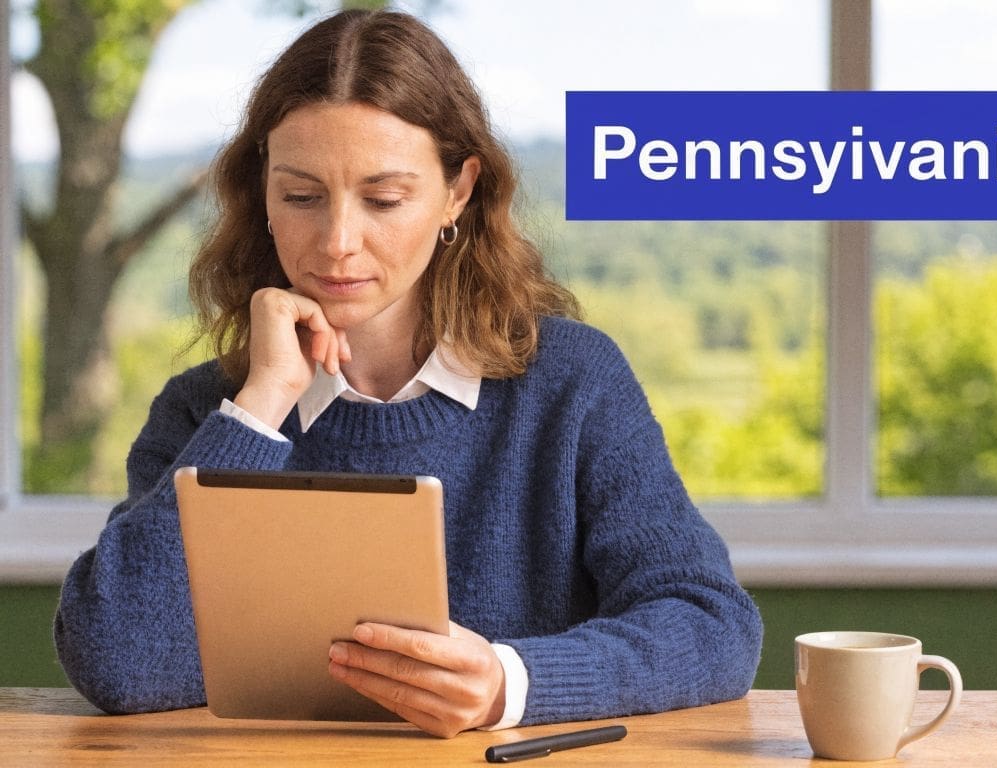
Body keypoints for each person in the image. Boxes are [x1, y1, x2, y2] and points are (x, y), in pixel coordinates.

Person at [53, 9, 762, 738]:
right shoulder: (209, 414)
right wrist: (259, 409)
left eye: (384, 199)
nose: (336, 242)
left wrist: (508, 683)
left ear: (458, 192)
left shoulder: (571, 384)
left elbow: (711, 624)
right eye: (300, 196)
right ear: (262, 192)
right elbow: (118, 660)